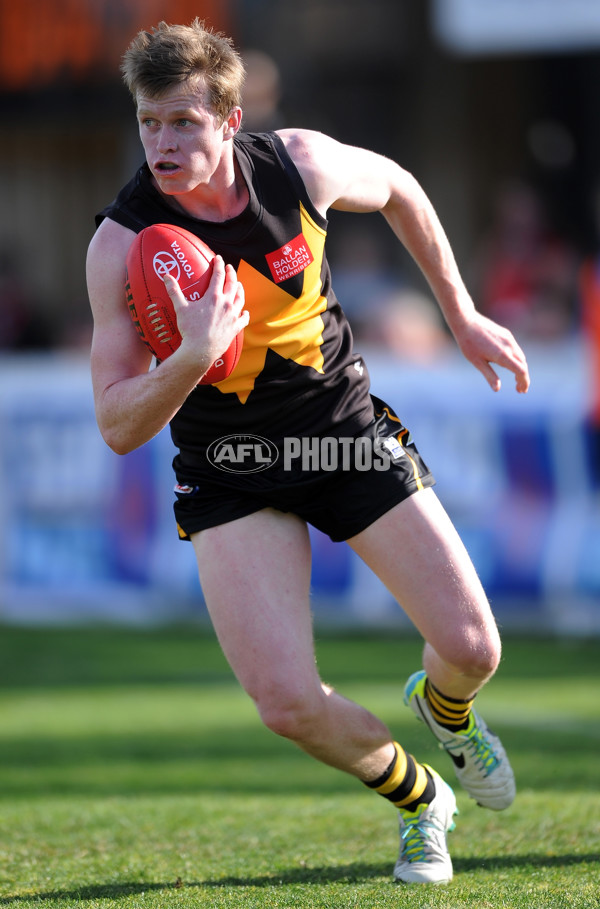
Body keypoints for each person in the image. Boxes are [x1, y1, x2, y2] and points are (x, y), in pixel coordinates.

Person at [86, 19, 530, 886]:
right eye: (149, 123)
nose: (164, 144)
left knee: (475, 648)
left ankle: (444, 707)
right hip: (227, 467)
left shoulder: (298, 165)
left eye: (183, 122)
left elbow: (400, 185)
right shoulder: (120, 245)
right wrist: (187, 355)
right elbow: (115, 425)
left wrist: (461, 312)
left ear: (229, 117)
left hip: (341, 434)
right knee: (285, 703)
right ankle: (419, 800)